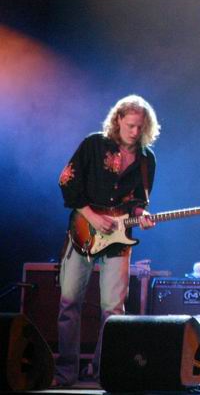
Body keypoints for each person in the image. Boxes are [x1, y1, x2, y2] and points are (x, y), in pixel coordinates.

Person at [54, 95, 159, 386]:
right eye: (130, 126)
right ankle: (66, 372)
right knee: (69, 303)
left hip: (120, 238)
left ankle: (104, 371)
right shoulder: (94, 144)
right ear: (117, 120)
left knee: (113, 309)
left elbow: (138, 202)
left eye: (140, 127)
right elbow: (67, 181)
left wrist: (142, 214)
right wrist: (91, 215)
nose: (134, 132)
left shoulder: (147, 159)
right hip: (83, 233)